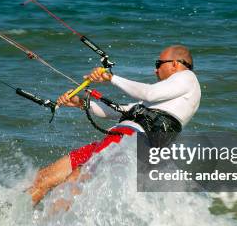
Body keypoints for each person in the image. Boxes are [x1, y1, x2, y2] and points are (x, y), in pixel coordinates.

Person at [28, 44, 201, 206]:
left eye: (158, 63)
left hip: (127, 143)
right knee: (44, 178)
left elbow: (149, 93)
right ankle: (9, 217)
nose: (155, 69)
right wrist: (81, 103)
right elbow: (118, 112)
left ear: (175, 64)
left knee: (73, 182)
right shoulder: (168, 98)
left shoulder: (188, 77)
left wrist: (111, 78)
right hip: (114, 141)